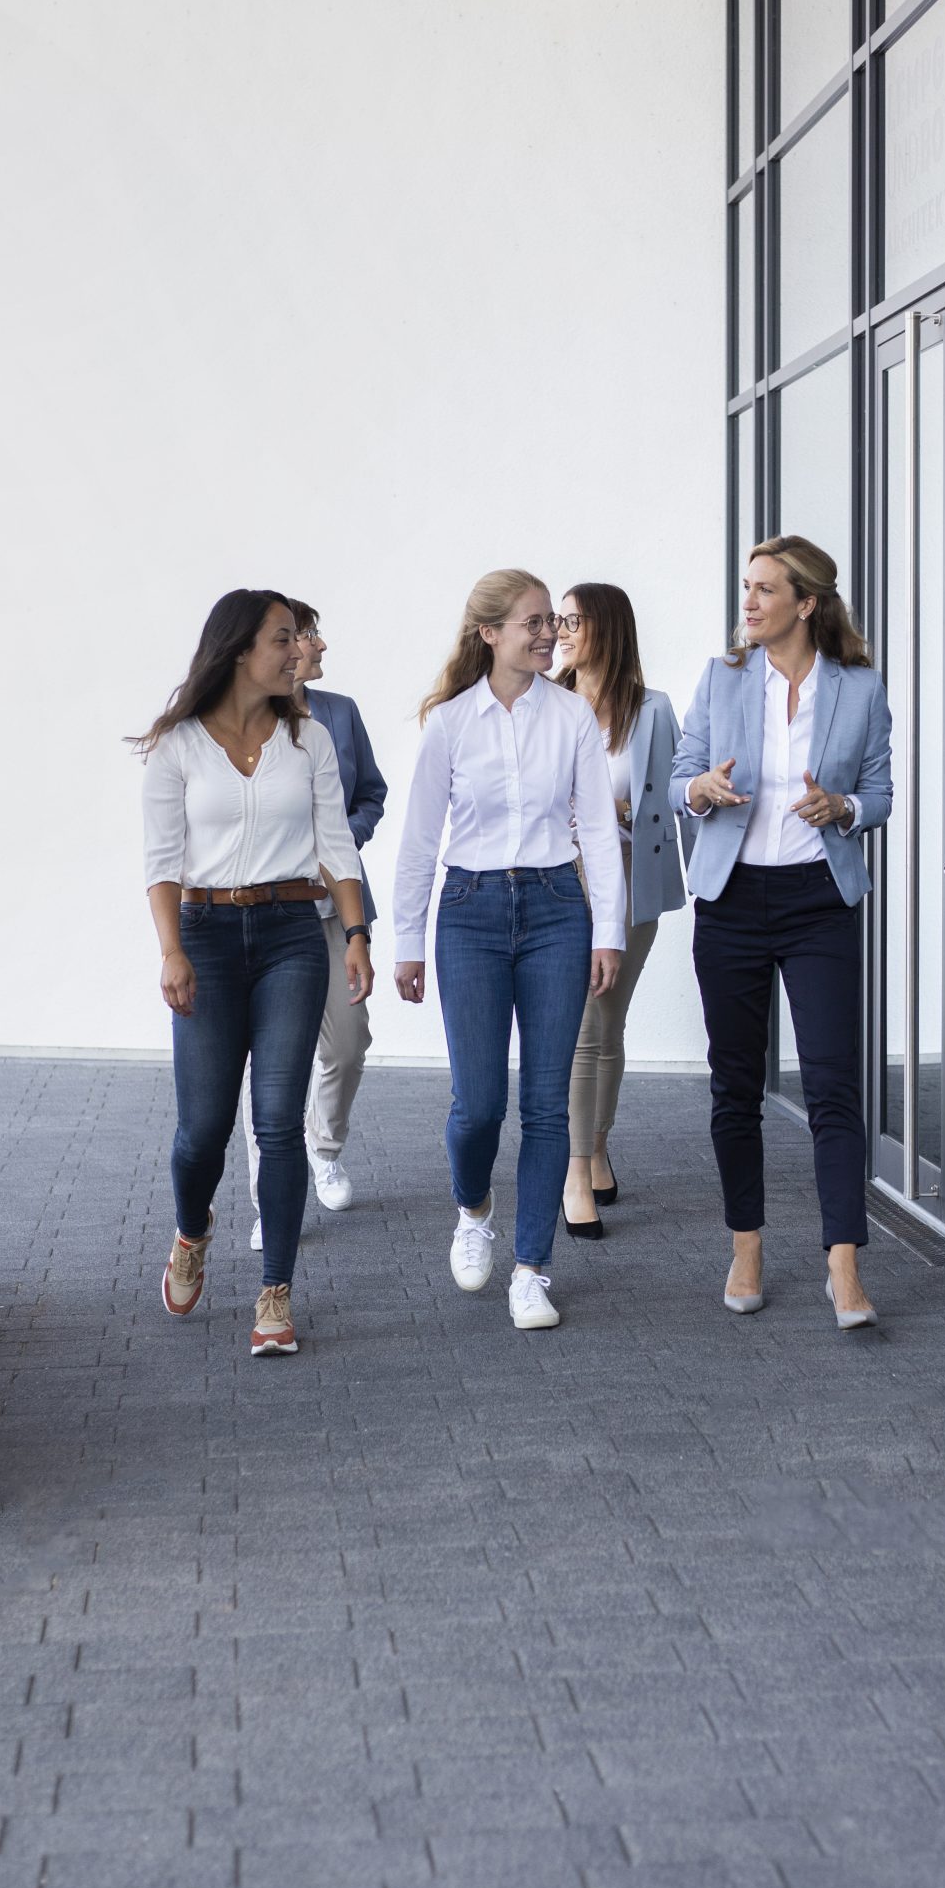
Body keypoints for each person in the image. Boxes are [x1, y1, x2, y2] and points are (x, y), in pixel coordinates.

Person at [138, 589, 373, 1359]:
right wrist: (171, 950)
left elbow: (336, 845)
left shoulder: (309, 740)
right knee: (201, 1129)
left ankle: (275, 1293)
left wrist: (356, 934)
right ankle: (192, 1229)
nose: (297, 651)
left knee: (277, 1121)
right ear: (241, 650)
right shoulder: (177, 747)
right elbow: (161, 862)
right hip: (204, 937)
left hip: (289, 938)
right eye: (282, 639)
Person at [393, 569, 625, 1330]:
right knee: (477, 1105)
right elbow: (421, 839)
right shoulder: (451, 723)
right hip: (470, 911)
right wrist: (405, 941)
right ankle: (472, 1209)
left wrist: (607, 930)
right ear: (488, 633)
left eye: (549, 623)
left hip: (558, 908)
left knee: (545, 1105)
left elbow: (595, 830)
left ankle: (531, 1269)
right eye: (531, 622)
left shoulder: (572, 718)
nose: (548, 633)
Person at [672, 534, 892, 1326]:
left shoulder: (858, 689)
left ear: (806, 602)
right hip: (729, 900)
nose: (749, 603)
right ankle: (746, 1243)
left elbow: (880, 792)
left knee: (833, 1083)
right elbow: (678, 778)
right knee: (735, 1085)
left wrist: (845, 809)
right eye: (746, 588)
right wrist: (700, 789)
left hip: (818, 902)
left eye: (765, 589)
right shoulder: (721, 678)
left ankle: (843, 1265)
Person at [242, 600, 387, 1240]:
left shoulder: (340, 714)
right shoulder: (244, 720)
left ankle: (323, 1150)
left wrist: (338, 842)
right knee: (269, 1060)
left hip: (336, 909)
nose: (320, 644)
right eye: (308, 633)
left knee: (349, 1043)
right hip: (270, 912)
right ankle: (264, 1200)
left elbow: (370, 795)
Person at [554, 583, 690, 1237]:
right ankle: (576, 1169)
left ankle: (596, 1142)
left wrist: (621, 814)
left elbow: (675, 801)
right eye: (558, 619)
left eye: (573, 620)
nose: (561, 630)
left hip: (632, 892)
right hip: (561, 893)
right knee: (584, 1029)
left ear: (604, 629)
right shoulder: (544, 705)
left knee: (608, 1028)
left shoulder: (652, 710)